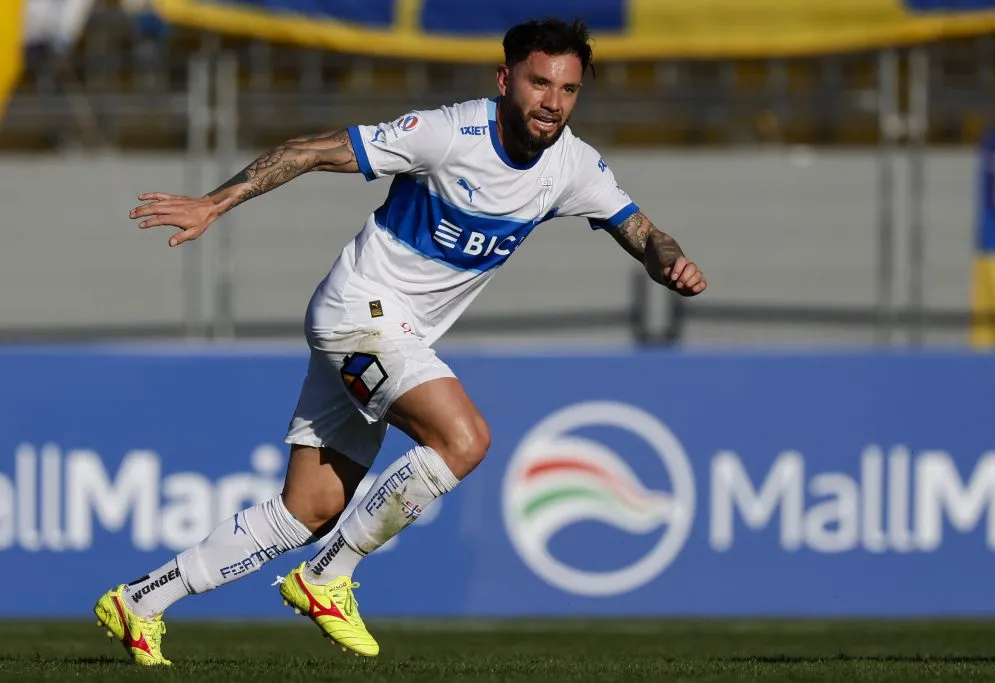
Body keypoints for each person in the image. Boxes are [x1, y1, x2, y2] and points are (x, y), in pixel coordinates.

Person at [92, 16, 708, 666]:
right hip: (361, 313)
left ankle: (141, 601)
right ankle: (327, 578)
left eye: (568, 88)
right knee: (464, 439)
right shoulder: (447, 134)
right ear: (506, 79)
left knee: (309, 509)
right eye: (538, 82)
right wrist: (216, 202)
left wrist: (668, 261)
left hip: (390, 331)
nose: (552, 101)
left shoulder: (572, 165)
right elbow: (313, 150)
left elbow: (639, 228)